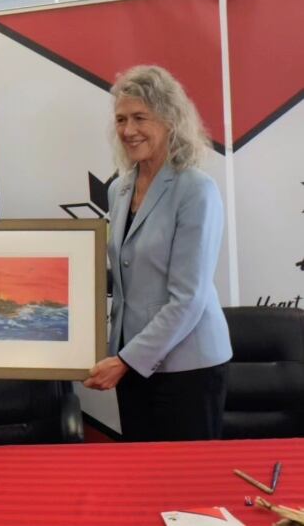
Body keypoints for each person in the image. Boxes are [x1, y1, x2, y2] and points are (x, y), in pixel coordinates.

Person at [83, 65, 232, 442]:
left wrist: (126, 360)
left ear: (169, 119)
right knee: (143, 480)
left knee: (187, 488)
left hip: (187, 369)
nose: (128, 130)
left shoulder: (195, 189)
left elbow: (188, 298)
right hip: (132, 364)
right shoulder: (119, 188)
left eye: (139, 118)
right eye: (120, 119)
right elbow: (125, 274)